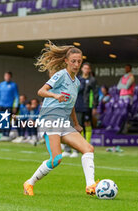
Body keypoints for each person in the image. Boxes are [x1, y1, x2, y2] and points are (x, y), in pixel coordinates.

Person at [23, 42, 98, 196]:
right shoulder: (60, 75)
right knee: (56, 159)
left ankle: (90, 185)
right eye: (73, 61)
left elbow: (71, 105)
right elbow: (41, 91)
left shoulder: (76, 82)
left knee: (88, 149)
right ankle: (29, 183)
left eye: (79, 61)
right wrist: (55, 95)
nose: (76, 64)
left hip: (63, 122)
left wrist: (76, 124)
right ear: (66, 61)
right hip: (50, 119)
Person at [63, 62, 99, 158]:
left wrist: (94, 106)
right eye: (84, 68)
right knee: (70, 126)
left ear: (89, 70)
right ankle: (68, 149)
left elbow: (95, 94)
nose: (86, 70)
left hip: (85, 107)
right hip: (74, 105)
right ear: (82, 69)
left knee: (78, 127)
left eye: (88, 68)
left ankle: (76, 149)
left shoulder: (91, 80)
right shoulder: (77, 78)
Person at [0, 71, 19, 141]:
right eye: (6, 76)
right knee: (1, 120)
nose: (7, 77)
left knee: (7, 120)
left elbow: (16, 96)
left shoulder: (13, 85)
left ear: (10, 77)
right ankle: (2, 134)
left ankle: (7, 134)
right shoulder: (1, 84)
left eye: (8, 76)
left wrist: (15, 106)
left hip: (9, 105)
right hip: (1, 105)